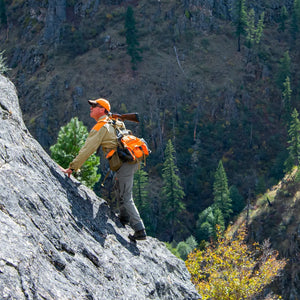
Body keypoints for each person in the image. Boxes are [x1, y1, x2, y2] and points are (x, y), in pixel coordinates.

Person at [61, 98, 146, 241]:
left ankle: (140, 229)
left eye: (94, 106)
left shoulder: (101, 127)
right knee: (119, 187)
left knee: (126, 196)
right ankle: (124, 218)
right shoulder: (116, 121)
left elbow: (87, 150)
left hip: (125, 163)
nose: (91, 108)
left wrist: (72, 167)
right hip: (129, 160)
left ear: (102, 110)